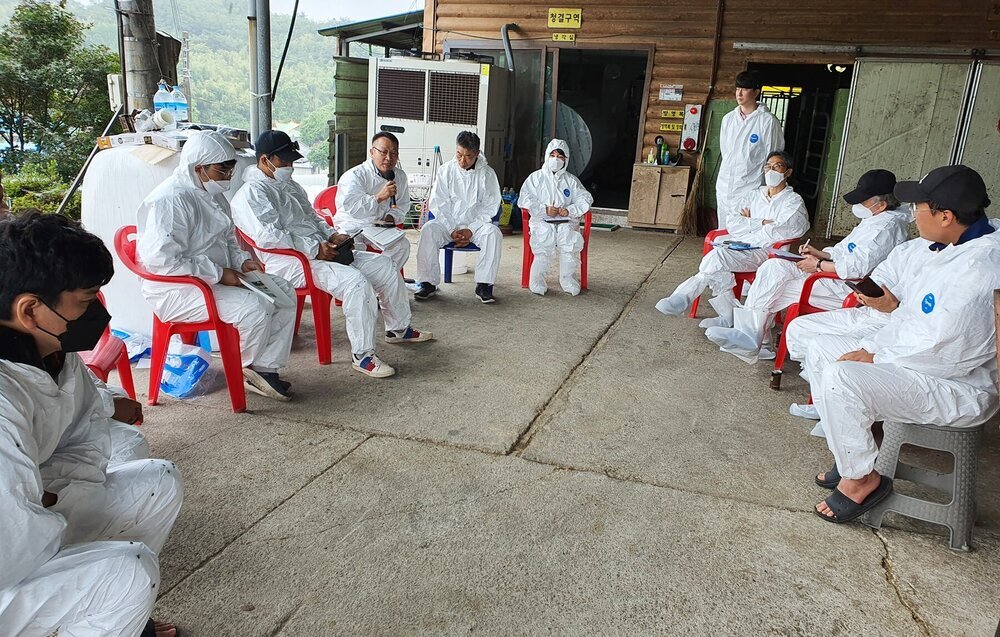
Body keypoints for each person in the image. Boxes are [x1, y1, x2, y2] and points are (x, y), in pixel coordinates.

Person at [0, 211, 182, 637]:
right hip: (7, 560)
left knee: (158, 482)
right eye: (85, 302)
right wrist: (37, 504)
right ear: (30, 309)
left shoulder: (50, 352)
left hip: (34, 520)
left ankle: (108, 614)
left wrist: (47, 496)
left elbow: (87, 438)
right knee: (125, 574)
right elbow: (12, 546)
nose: (95, 315)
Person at [809, 165, 1000, 523]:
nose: (912, 214)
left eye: (920, 207)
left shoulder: (977, 270)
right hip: (920, 359)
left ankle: (862, 479)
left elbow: (946, 351)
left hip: (956, 384)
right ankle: (851, 454)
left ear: (946, 216)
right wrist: (875, 348)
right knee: (822, 350)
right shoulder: (956, 244)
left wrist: (877, 355)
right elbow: (916, 323)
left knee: (842, 377)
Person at [232, 130, 431, 379]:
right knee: (356, 283)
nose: (290, 166)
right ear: (264, 160)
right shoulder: (252, 194)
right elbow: (269, 237)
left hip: (321, 251)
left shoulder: (289, 186)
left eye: (291, 161)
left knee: (384, 265)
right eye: (284, 161)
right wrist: (314, 248)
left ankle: (398, 329)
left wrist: (332, 235)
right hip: (291, 262)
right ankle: (363, 355)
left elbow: (312, 218)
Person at [137, 130, 296, 401]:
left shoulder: (213, 194)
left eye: (231, 168)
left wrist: (242, 262)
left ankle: (263, 369)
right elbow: (161, 260)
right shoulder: (171, 200)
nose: (228, 175)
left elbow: (228, 239)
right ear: (198, 167)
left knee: (284, 292)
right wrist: (220, 274)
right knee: (255, 308)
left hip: (216, 278)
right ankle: (243, 369)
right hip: (177, 288)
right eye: (222, 169)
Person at [706, 169, 910, 363]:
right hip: (831, 275)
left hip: (844, 287)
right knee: (773, 266)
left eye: (862, 201)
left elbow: (855, 268)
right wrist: (819, 253)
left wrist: (819, 265)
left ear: (881, 204)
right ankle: (753, 337)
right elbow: (844, 250)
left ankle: (755, 339)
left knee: (775, 285)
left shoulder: (886, 229)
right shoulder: (874, 220)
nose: (857, 206)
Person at [655, 151, 809, 327]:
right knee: (716, 259)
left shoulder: (793, 202)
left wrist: (749, 223)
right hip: (742, 247)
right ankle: (716, 311)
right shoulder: (754, 195)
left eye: (777, 166)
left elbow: (785, 229)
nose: (771, 171)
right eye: (768, 166)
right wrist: (761, 222)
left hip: (768, 254)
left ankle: (686, 297)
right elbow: (733, 222)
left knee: (717, 258)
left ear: (787, 172)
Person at [415, 131, 502, 304]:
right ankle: (428, 282)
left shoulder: (487, 174)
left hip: (476, 227)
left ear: (477, 154)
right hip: (448, 225)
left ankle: (484, 285)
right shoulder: (446, 170)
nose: (462, 161)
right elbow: (438, 203)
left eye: (468, 156)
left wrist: (470, 229)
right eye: (459, 155)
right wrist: (452, 229)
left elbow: (490, 206)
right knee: (428, 230)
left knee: (493, 234)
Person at [518, 139, 594, 296]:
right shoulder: (535, 178)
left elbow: (585, 198)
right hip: (541, 221)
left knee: (568, 239)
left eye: (560, 156)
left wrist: (570, 210)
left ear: (566, 159)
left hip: (566, 221)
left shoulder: (571, 180)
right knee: (545, 236)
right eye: (552, 155)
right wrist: (544, 209)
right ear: (546, 156)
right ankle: (537, 280)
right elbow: (524, 199)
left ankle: (568, 280)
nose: (556, 159)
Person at [715, 70, 784, 230]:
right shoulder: (728, 119)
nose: (739, 93)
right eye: (738, 88)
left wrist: (768, 188)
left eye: (745, 89)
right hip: (725, 185)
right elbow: (726, 152)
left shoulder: (767, 122)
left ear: (756, 92)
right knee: (723, 229)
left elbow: (774, 157)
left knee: (745, 231)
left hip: (750, 186)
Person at [333, 132, 411, 271]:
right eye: (383, 152)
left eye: (393, 153)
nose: (388, 158)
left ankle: (381, 281)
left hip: (378, 227)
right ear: (372, 152)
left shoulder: (400, 176)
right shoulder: (355, 175)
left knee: (402, 245)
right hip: (352, 225)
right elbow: (354, 210)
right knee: (353, 251)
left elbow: (403, 205)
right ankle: (372, 283)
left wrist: (391, 216)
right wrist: (378, 197)